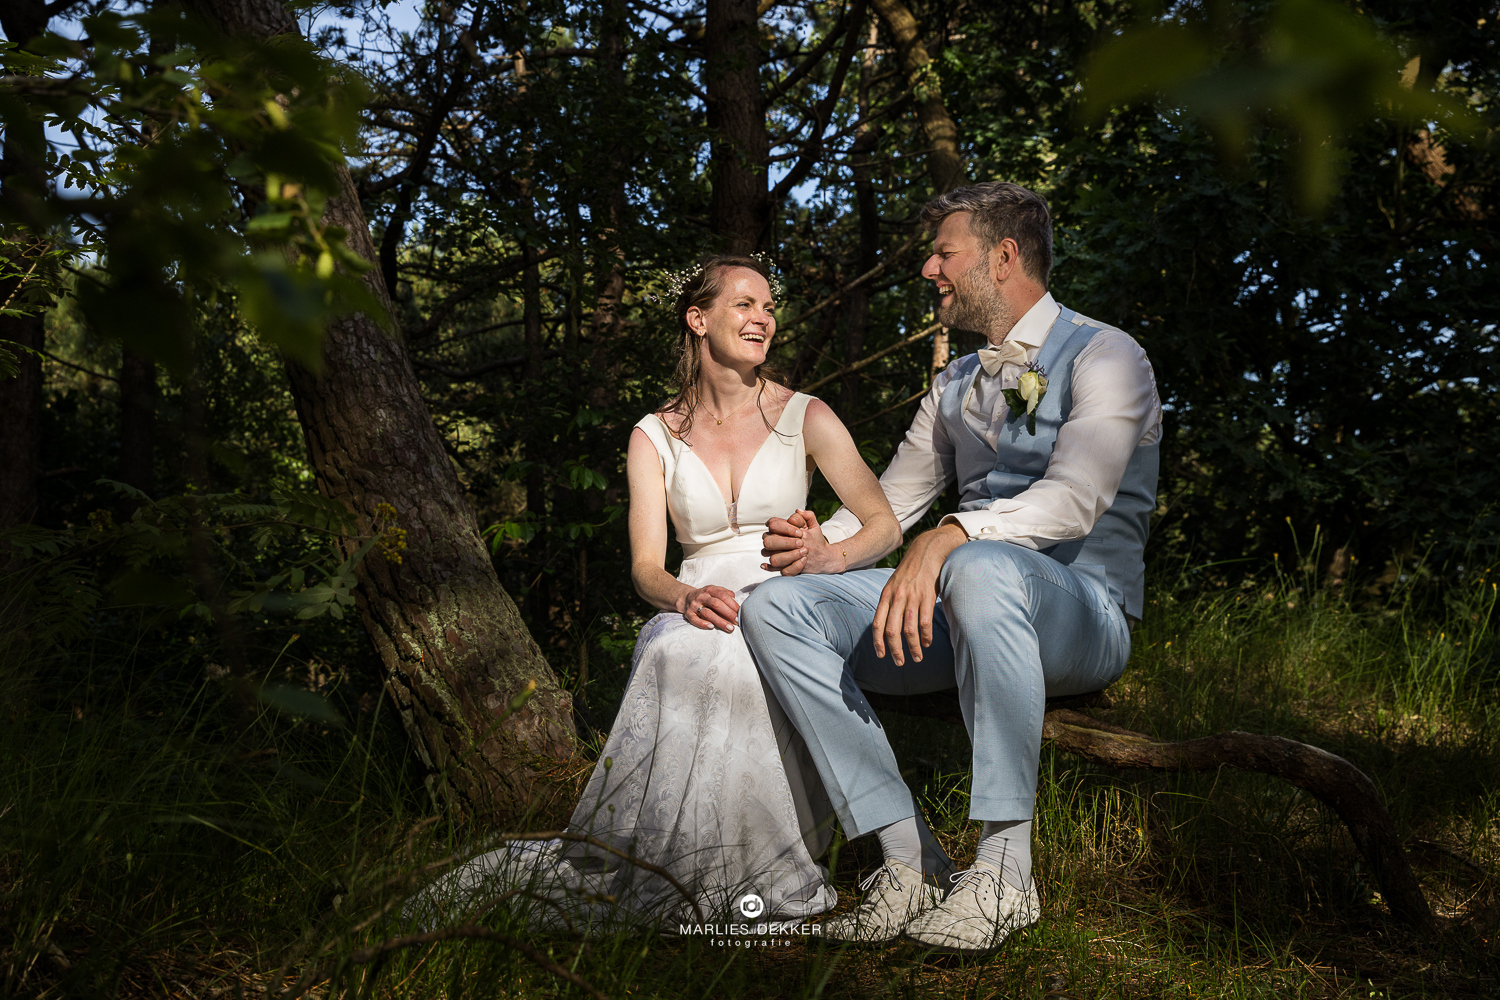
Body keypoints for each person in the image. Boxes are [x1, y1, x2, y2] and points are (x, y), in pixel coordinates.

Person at [435, 254, 942, 926]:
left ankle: (751, 863)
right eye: (745, 304)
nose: (763, 317)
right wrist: (682, 599)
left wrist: (829, 555)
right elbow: (646, 567)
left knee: (748, 647)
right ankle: (675, 859)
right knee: (678, 650)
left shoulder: (805, 414)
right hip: (695, 593)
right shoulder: (654, 434)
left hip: (787, 595)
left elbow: (882, 524)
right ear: (697, 319)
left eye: (768, 306)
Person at [744, 182, 1162, 953]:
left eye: (944, 252)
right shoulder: (954, 385)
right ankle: (906, 859)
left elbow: (1075, 500)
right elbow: (889, 510)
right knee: (775, 610)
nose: (929, 269)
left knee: (981, 569)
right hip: (960, 611)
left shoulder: (1109, 355)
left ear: (1003, 258)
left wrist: (952, 536)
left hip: (1085, 618)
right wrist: (819, 552)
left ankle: (1005, 873)